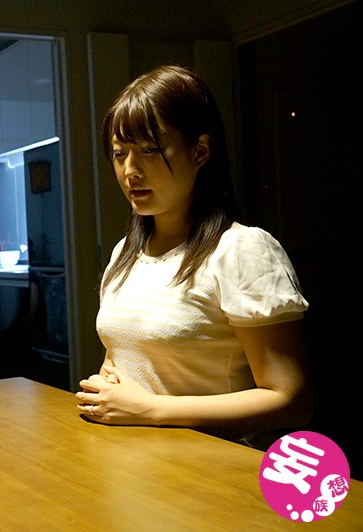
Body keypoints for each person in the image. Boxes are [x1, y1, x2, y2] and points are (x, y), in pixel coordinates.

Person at [76, 65, 312, 446]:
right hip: (134, 462)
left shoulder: (241, 250)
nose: (130, 170)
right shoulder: (125, 253)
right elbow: (123, 362)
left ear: (199, 151)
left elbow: (291, 399)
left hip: (214, 467)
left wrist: (151, 410)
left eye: (150, 150)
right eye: (120, 153)